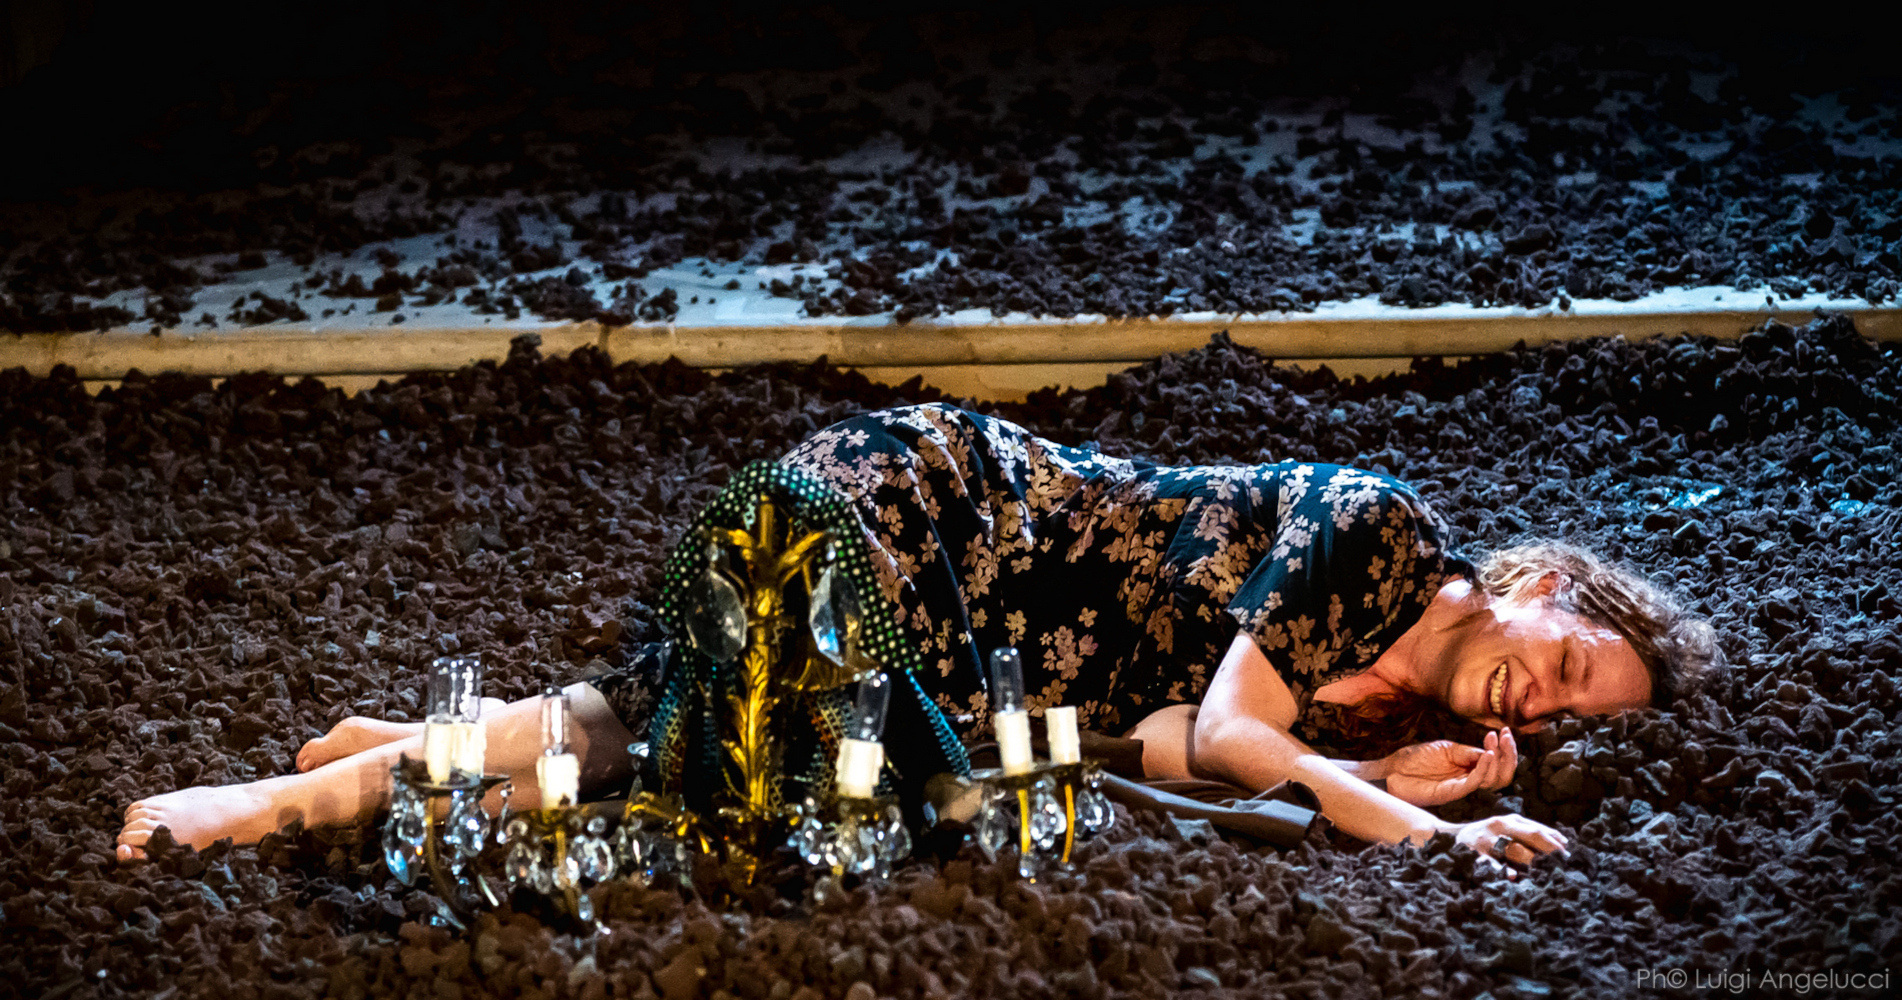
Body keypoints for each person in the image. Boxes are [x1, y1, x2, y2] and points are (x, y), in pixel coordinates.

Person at [117, 403, 1718, 870]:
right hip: (926, 508)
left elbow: (1158, 747)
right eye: (1573, 663)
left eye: (1577, 717)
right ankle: (276, 808)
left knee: (705, 747)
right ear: (1546, 591)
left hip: (978, 675)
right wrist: (1415, 837)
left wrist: (1384, 775)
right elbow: (1232, 738)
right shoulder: (1380, 529)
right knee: (769, 779)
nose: (1550, 700)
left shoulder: (1355, 704)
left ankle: (379, 764)